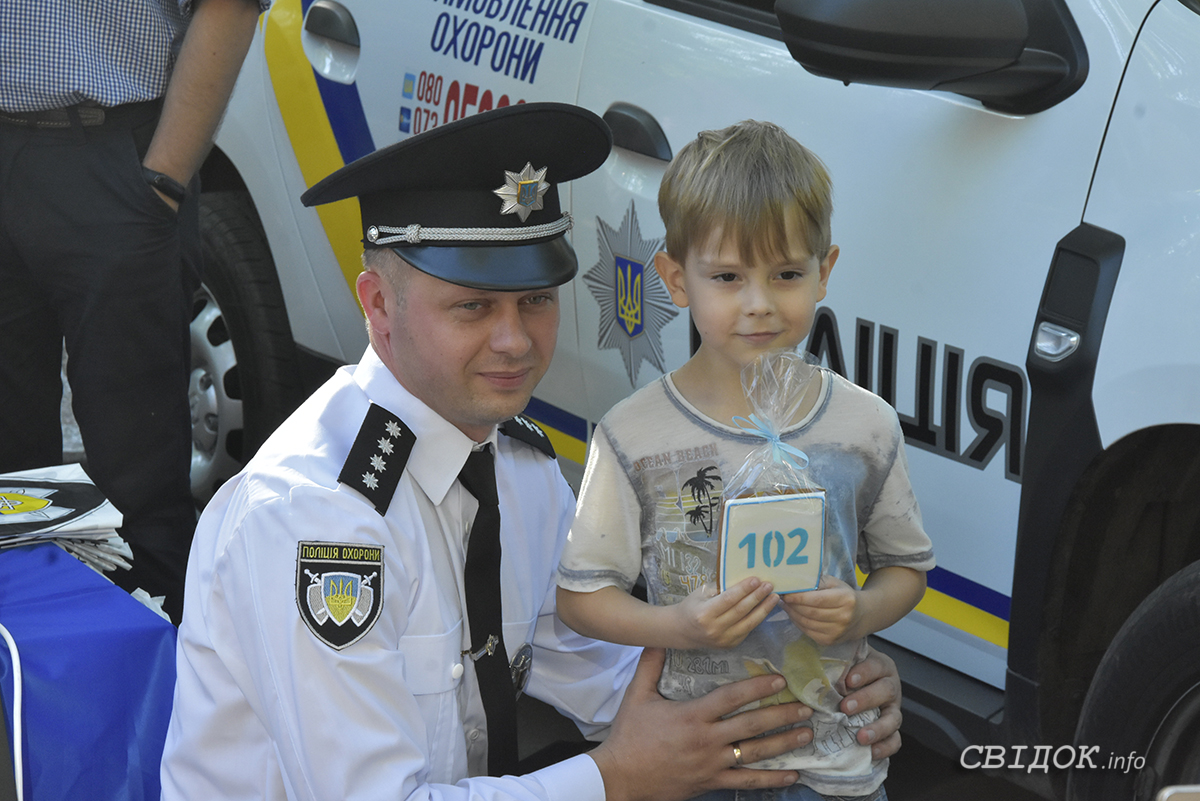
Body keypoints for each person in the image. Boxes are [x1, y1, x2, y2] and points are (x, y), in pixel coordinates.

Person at [159, 103, 905, 801]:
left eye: (537, 300)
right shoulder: (313, 517)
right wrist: (611, 777)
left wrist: (819, 693)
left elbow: (602, 674)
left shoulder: (517, 467)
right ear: (378, 306)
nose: (516, 341)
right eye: (473, 306)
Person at [555, 120, 935, 801]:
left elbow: (905, 567)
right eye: (727, 276)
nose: (759, 303)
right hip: (689, 763)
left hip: (833, 766)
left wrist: (858, 613)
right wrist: (675, 625)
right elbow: (583, 598)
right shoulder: (632, 433)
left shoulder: (864, 425)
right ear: (675, 277)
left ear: (825, 270)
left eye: (786, 273)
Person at [0, 0, 267, 624]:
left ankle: (156, 689)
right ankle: (28, 684)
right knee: (9, 474)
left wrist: (164, 180)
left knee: (138, 476)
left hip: (117, 155)